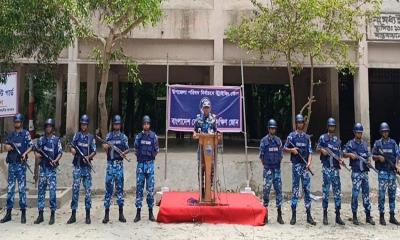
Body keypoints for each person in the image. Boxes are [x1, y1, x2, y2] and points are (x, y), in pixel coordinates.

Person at [0, 113, 33, 224]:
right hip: (12, 165)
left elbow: (31, 146)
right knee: (10, 189)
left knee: (22, 189)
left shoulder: (25, 134)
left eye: (18, 122)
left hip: (21, 165)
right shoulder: (11, 135)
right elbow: (5, 146)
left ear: (21, 122)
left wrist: (24, 153)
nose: (16, 123)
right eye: (15, 122)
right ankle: (8, 213)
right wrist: (7, 147)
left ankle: (23, 213)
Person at [284, 114, 316, 225]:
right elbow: (284, 148)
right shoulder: (291, 136)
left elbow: (310, 152)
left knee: (307, 190)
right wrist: (292, 150)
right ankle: (293, 216)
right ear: (296, 123)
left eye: (301, 122)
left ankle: (309, 215)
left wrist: (309, 163)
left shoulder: (307, 138)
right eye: (298, 122)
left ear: (303, 123)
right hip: (296, 166)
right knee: (295, 190)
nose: (300, 124)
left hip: (305, 167)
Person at [343, 123, 375, 225]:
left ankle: (368, 216)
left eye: (360, 132)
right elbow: (343, 153)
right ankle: (354, 215)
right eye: (357, 132)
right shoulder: (351, 144)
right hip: (356, 172)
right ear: (354, 132)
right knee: (355, 195)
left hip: (364, 172)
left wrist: (369, 161)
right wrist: (350, 155)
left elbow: (368, 155)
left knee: (366, 194)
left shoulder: (365, 144)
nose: (359, 134)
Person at [67, 114, 96, 224]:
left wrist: (89, 157)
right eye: (82, 124)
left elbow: (94, 151)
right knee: (75, 191)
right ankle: (73, 215)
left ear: (87, 125)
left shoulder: (90, 137)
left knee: (88, 191)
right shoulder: (77, 135)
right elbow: (72, 147)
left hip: (86, 168)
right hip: (77, 167)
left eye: (85, 124)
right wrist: (72, 150)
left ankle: (88, 215)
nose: (83, 126)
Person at [316, 118, 345, 225]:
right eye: (330, 126)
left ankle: (338, 215)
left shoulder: (338, 140)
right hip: (327, 168)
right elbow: (317, 148)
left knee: (337, 192)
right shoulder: (323, 138)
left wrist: (341, 160)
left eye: (333, 126)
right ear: (328, 127)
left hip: (336, 169)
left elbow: (340, 153)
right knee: (326, 191)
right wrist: (322, 150)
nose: (332, 128)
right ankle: (325, 215)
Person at [33, 118, 63, 225]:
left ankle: (52, 215)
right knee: (41, 192)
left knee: (52, 193)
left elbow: (60, 152)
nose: (48, 128)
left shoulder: (56, 140)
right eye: (47, 126)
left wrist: (55, 160)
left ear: (52, 128)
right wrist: (39, 155)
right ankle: (40, 215)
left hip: (51, 170)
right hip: (43, 169)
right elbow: (36, 153)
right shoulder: (41, 140)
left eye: (50, 126)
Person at [102, 115, 129, 224]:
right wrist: (106, 146)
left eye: (118, 124)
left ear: (120, 125)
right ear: (113, 125)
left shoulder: (123, 137)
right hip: (110, 165)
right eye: (115, 124)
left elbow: (127, 149)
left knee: (119, 189)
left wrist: (123, 153)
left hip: (119, 165)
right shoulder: (109, 136)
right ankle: (106, 215)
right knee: (108, 189)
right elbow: (104, 148)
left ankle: (121, 214)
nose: (116, 125)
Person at [371, 122, 400, 225]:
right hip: (382, 172)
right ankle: (381, 216)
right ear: (381, 132)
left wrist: (397, 164)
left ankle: (392, 216)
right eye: (383, 131)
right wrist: (379, 157)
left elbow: (397, 155)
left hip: (391, 172)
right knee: (382, 195)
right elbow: (373, 156)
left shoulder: (393, 143)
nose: (385, 133)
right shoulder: (377, 143)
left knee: (392, 195)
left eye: (386, 131)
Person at [133, 115, 159, 222]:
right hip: (141, 166)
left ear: (150, 124)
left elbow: (156, 150)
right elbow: (135, 149)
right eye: (144, 123)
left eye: (148, 123)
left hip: (150, 166)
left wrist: (150, 157)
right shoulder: (138, 136)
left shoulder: (154, 137)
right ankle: (138, 213)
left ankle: (150, 212)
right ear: (142, 125)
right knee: (139, 189)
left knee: (150, 190)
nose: (146, 125)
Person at [259, 119, 284, 224]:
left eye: (274, 128)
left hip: (276, 170)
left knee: (279, 192)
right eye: (271, 128)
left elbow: (281, 155)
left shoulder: (278, 141)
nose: (273, 130)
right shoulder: (264, 141)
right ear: (268, 129)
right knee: (266, 193)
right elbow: (261, 157)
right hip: (268, 170)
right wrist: (267, 167)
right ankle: (265, 215)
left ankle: (279, 215)